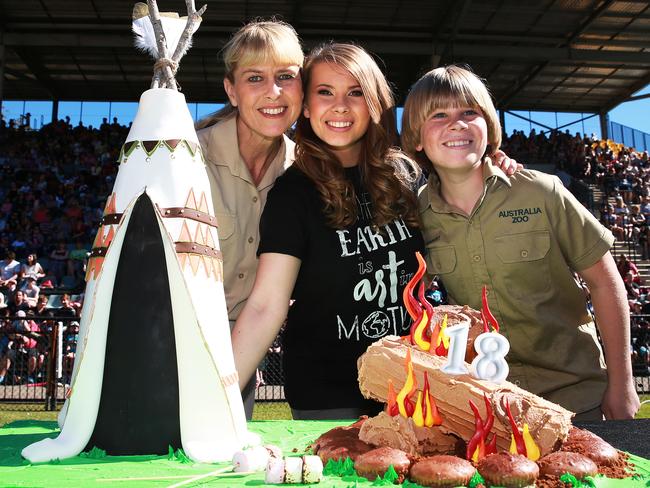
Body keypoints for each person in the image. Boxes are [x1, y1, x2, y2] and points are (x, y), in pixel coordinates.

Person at [401, 65, 640, 420]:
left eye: (470, 112)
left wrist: (622, 387)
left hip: (576, 399)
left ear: (489, 127)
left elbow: (605, 282)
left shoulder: (542, 191)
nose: (457, 123)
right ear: (417, 138)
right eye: (439, 114)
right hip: (485, 404)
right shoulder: (416, 214)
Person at [195, 20, 304, 419]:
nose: (273, 92)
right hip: (169, 346)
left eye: (286, 77)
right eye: (255, 78)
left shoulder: (307, 172)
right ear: (231, 90)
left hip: (244, 351)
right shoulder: (184, 155)